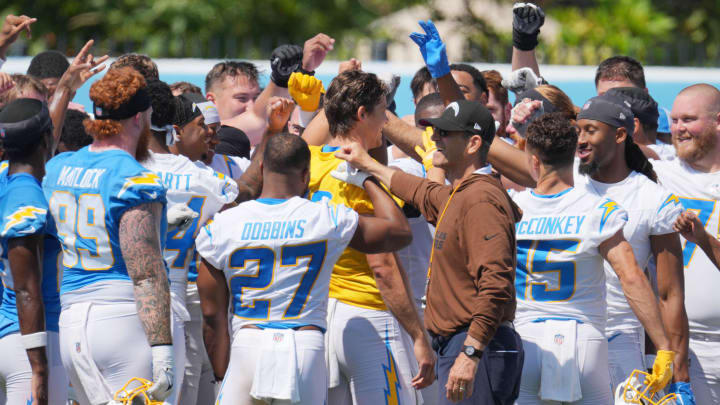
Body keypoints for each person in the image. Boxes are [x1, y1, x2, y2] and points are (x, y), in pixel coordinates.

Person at [486, 94, 691, 399]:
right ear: (571, 153)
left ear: (533, 160)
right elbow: (632, 276)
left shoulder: (513, 208)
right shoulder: (597, 209)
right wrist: (663, 347)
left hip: (526, 338)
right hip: (585, 339)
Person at [195, 133, 412, 404]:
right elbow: (400, 232)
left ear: (262, 168)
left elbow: (212, 314)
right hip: (304, 346)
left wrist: (222, 374)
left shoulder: (224, 224)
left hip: (248, 342)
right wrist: (367, 179)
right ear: (306, 174)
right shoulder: (325, 216)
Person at [336, 99, 524, 404]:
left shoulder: (481, 199)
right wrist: (368, 167)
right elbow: (422, 192)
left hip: (477, 345)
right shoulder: (462, 192)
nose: (434, 138)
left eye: (446, 133)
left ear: (474, 143)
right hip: (463, 343)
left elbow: (496, 284)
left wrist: (471, 353)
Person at [41, 67, 175, 404]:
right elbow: (145, 273)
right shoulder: (132, 178)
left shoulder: (58, 167)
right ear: (139, 118)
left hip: (71, 322)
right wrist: (162, 350)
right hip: (122, 320)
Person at [302, 69, 435, 405]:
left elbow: (310, 136)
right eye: (383, 113)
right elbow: (383, 266)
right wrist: (418, 335)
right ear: (363, 114)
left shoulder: (308, 166)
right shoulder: (363, 176)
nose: (386, 123)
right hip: (370, 315)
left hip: (320, 319)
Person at [142, 79, 239, 405]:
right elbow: (238, 199)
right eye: (201, 126)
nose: (212, 135)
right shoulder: (204, 178)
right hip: (176, 304)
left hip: (125, 303)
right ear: (174, 129)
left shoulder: (125, 168)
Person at [650, 83, 720, 404]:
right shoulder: (656, 174)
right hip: (679, 348)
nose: (678, 129)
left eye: (689, 119)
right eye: (675, 120)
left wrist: (703, 238)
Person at [0, 98, 67, 404]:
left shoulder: (5, 178)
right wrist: (38, 368)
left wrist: (65, 89)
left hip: (8, 332)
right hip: (29, 343)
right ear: (45, 140)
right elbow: (27, 288)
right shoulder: (27, 195)